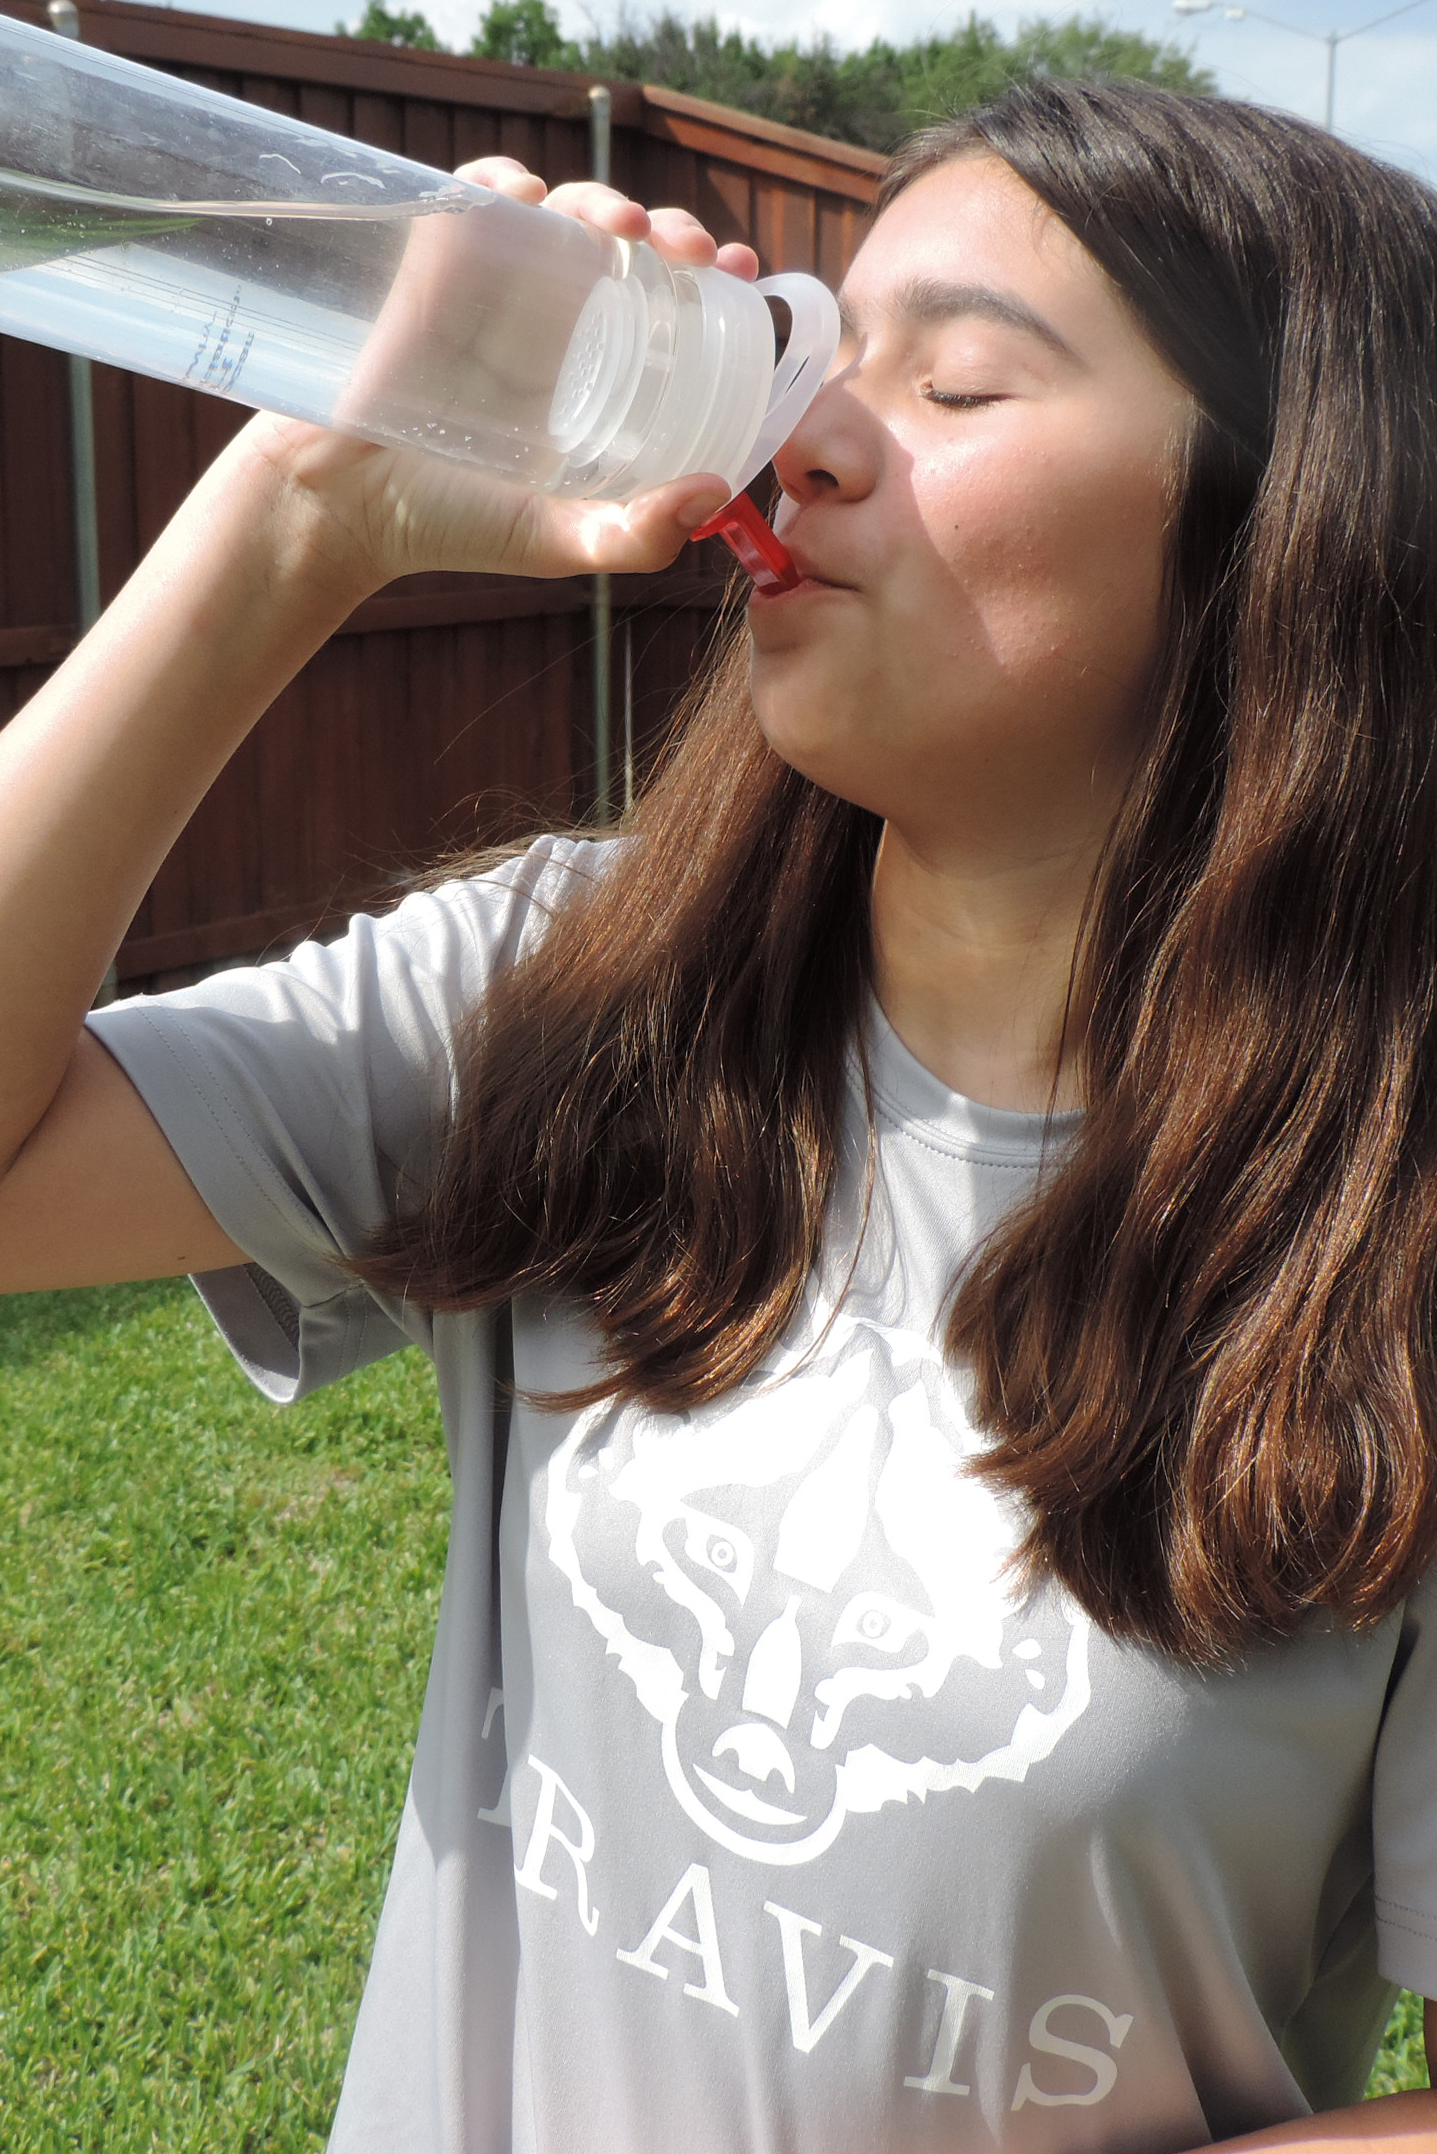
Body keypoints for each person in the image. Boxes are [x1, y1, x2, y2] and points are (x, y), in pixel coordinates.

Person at [1, 70, 1435, 2154]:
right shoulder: (577, 997)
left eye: (954, 384)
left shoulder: (1384, 1238)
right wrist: (301, 513)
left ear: (1286, 527)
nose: (805, 435)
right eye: (827, 358)